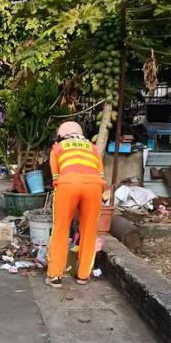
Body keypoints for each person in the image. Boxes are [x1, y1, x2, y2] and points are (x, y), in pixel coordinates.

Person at [46, 121, 105, 288]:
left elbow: (55, 177)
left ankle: (55, 276)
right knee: (89, 230)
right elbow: (101, 174)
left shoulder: (58, 148)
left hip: (67, 184)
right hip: (94, 186)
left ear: (61, 135)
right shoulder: (93, 148)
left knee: (60, 229)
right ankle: (83, 276)